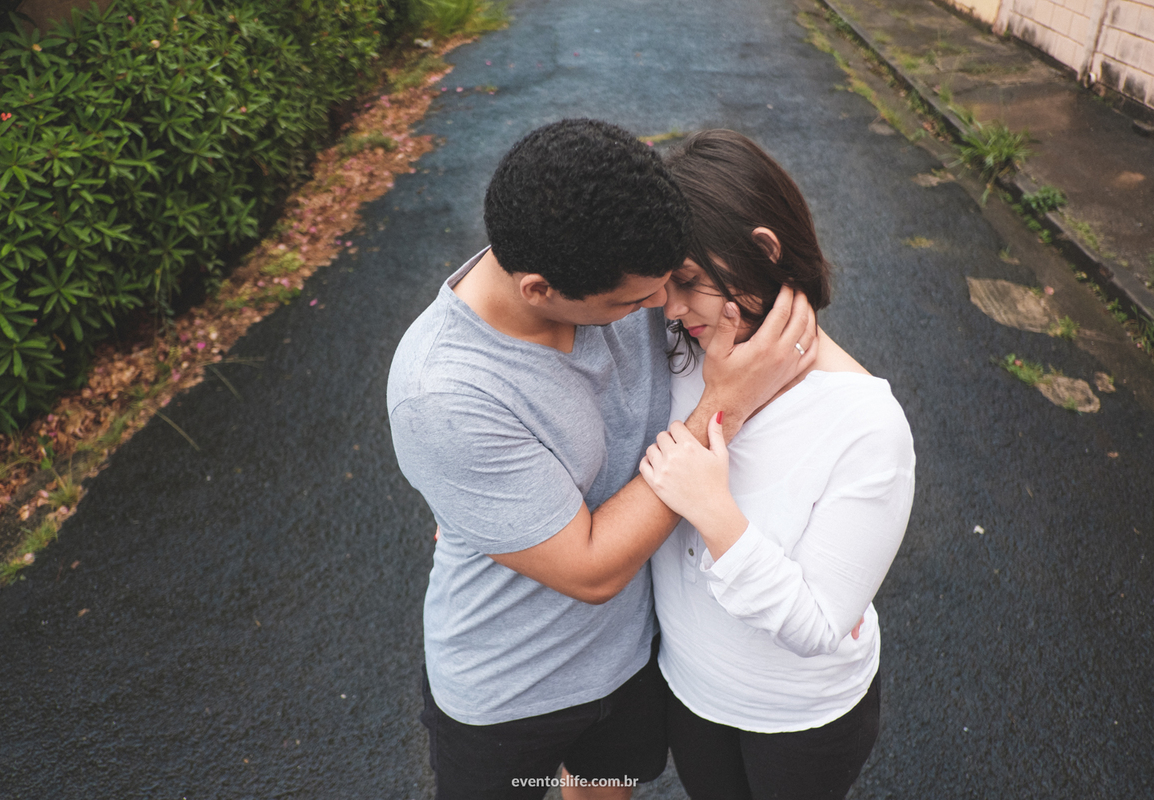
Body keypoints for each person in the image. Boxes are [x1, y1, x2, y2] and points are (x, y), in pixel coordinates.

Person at [386, 119, 818, 800]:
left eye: (670, 284)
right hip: (510, 692)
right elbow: (588, 571)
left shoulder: (610, 246)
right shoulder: (442, 392)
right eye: (635, 301)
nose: (662, 309)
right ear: (538, 289)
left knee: (604, 788)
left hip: (631, 659)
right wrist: (721, 405)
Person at [638, 129, 916, 800]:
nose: (669, 307)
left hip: (800, 720)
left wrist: (714, 512)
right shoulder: (677, 350)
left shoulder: (867, 425)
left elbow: (820, 625)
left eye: (689, 282)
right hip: (689, 689)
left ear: (763, 249)